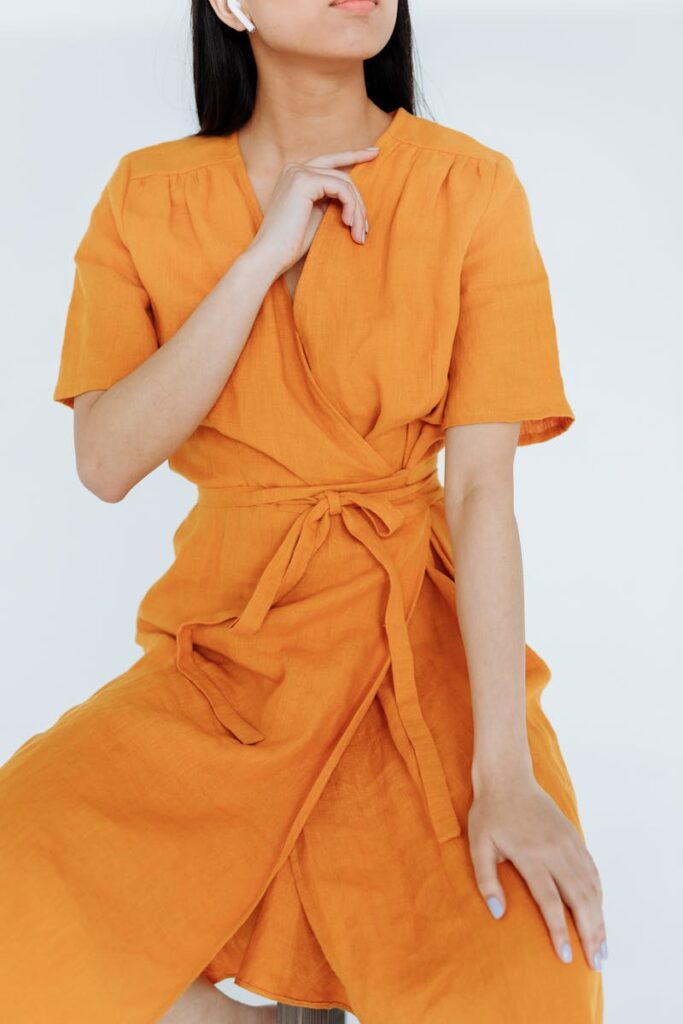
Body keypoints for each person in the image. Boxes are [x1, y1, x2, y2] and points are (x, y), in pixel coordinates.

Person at [0, 1, 607, 1022]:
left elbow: (479, 491)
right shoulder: (147, 196)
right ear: (229, 4)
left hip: (421, 666)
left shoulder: (469, 186)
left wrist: (501, 772)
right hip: (230, 661)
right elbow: (104, 461)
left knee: (534, 990)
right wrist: (256, 262)